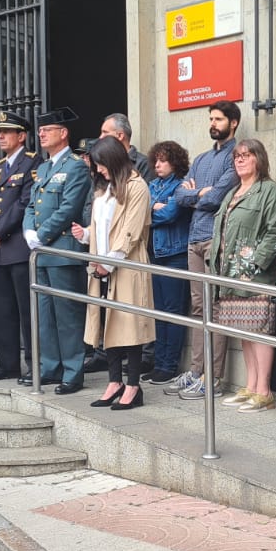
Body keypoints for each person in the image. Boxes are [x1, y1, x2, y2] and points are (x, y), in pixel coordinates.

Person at [166, 102, 241, 401]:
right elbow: (179, 195)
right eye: (210, 118)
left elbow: (218, 199)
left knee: (216, 309)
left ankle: (214, 377)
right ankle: (196, 371)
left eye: (219, 119)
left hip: (215, 238)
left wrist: (196, 194)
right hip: (193, 239)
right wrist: (197, 193)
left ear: (233, 123)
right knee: (198, 308)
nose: (213, 123)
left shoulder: (236, 158)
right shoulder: (199, 159)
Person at [73, 138, 155, 411]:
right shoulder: (103, 189)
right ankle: (114, 381)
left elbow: (130, 232)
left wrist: (108, 263)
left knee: (128, 327)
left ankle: (133, 385)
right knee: (107, 323)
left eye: (101, 164)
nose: (98, 169)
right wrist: (85, 234)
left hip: (127, 265)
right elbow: (102, 227)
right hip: (101, 265)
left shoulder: (137, 186)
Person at [208, 139, 276, 413]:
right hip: (229, 273)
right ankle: (251, 385)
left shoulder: (269, 191)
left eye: (246, 155)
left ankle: (264, 391)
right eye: (237, 156)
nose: (240, 160)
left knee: (259, 331)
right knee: (244, 330)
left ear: (259, 159)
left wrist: (255, 265)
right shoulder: (232, 192)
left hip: (254, 276)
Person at [22, 107, 92, 395]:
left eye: (47, 130)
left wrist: (42, 234)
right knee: (45, 317)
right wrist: (28, 231)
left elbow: (69, 208)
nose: (41, 134)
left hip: (62, 251)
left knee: (67, 317)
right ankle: (50, 368)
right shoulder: (45, 167)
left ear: (63, 133)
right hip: (41, 252)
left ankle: (73, 372)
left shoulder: (75, 166)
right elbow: (31, 205)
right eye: (40, 131)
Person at [0, 112, 39, 383]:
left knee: (27, 311)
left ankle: (34, 363)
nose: (1, 136)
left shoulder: (32, 162)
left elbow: (24, 203)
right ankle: (6, 364)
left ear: (22, 136)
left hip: (17, 247)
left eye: (7, 132)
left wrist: (0, 230)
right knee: (2, 310)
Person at [145, 140, 192, 384]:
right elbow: (144, 213)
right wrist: (155, 207)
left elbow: (170, 213)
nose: (158, 164)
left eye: (164, 160)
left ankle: (169, 365)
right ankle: (159, 362)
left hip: (175, 255)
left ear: (175, 162)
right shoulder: (152, 185)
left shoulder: (181, 186)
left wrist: (153, 210)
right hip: (155, 254)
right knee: (159, 312)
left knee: (173, 312)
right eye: (157, 160)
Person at [101, 113, 153, 182]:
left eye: (105, 132)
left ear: (120, 136)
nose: (101, 137)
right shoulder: (103, 163)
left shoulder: (144, 164)